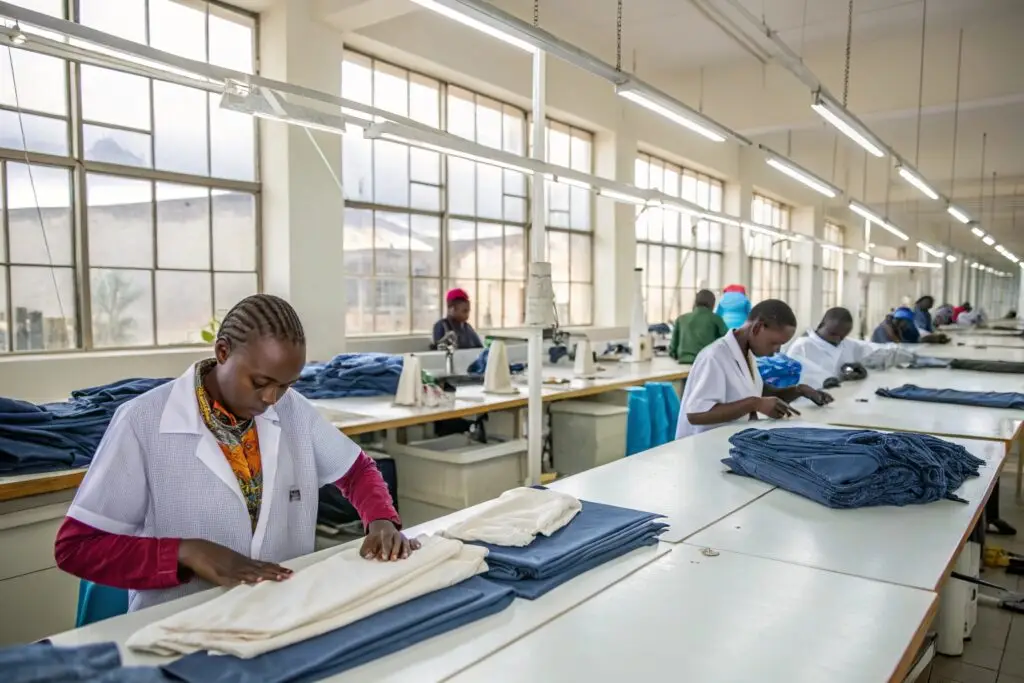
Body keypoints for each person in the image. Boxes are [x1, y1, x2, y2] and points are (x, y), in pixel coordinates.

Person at [54, 294, 417, 612]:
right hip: (179, 623)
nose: (271, 399)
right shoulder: (143, 422)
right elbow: (77, 548)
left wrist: (381, 520)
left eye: (285, 385)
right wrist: (185, 553)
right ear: (223, 351)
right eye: (260, 383)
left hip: (282, 610)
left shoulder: (293, 410)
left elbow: (356, 470)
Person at [675, 299, 833, 439]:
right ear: (757, 328)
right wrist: (754, 404)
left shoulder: (746, 353)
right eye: (774, 343)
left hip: (727, 442)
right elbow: (696, 414)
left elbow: (760, 392)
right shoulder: (714, 357)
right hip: (702, 447)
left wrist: (799, 390)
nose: (777, 351)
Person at [786, 307, 867, 389]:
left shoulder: (848, 344)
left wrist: (857, 372)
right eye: (833, 334)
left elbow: (874, 355)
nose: (837, 339)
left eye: (842, 336)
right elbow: (790, 380)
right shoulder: (802, 346)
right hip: (809, 400)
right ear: (821, 325)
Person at [669, 290, 728, 364]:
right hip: (707, 363)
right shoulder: (716, 319)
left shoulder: (681, 319)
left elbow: (672, 349)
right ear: (712, 304)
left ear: (695, 302)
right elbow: (728, 342)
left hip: (683, 362)